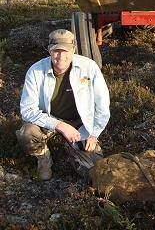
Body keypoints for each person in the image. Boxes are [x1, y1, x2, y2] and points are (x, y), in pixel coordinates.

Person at [16, 29, 110, 181]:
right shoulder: (35, 71)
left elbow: (102, 104)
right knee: (27, 133)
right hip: (49, 120)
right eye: (56, 51)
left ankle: (73, 148)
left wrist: (94, 134)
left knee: (94, 170)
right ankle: (44, 158)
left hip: (81, 124)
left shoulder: (89, 68)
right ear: (49, 50)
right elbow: (27, 110)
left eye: (65, 50)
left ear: (73, 49)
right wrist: (59, 125)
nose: (61, 56)